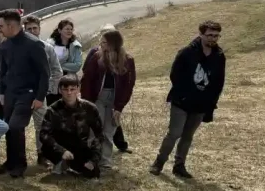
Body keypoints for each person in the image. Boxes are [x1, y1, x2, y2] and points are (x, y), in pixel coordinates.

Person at [150, 21, 226, 178]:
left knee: (188, 136)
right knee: (174, 133)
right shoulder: (187, 52)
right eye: (210, 35)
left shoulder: (219, 56)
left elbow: (219, 81)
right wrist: (183, 93)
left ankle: (179, 166)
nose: (213, 39)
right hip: (181, 101)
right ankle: (159, 162)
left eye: (216, 35)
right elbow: (175, 75)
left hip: (201, 104)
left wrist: (211, 103)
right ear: (201, 34)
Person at [0, 9, 50, 178]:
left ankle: (20, 165)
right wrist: (1, 91)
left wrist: (40, 97)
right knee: (7, 127)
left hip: (28, 93)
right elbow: (2, 70)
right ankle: (10, 162)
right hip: (10, 92)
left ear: (11, 26)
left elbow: (44, 73)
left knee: (16, 126)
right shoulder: (5, 44)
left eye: (1, 25)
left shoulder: (33, 44)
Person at [81, 30, 136, 169]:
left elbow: (128, 86)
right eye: (101, 41)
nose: (101, 44)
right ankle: (91, 159)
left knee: (108, 131)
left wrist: (119, 107)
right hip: (98, 97)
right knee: (94, 129)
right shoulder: (96, 57)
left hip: (115, 98)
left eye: (104, 42)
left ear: (113, 44)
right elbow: (87, 80)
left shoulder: (128, 60)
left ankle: (105, 162)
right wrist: (87, 102)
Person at [38, 75, 102, 178]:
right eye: (65, 89)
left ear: (78, 89)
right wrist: (61, 151)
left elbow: (99, 135)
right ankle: (60, 163)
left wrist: (93, 160)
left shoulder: (90, 108)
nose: (69, 93)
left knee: (91, 173)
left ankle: (70, 166)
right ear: (60, 90)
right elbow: (44, 134)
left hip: (80, 146)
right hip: (61, 147)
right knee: (46, 148)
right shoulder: (52, 110)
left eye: (72, 89)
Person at [22, 14, 64, 166]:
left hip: (41, 95)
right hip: (21, 94)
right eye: (29, 29)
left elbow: (57, 71)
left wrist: (48, 89)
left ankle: (42, 155)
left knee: (42, 126)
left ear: (39, 29)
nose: (32, 31)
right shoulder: (18, 47)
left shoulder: (48, 48)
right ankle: (18, 158)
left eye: (35, 28)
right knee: (19, 126)